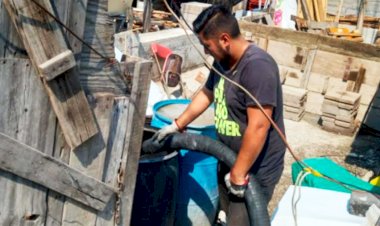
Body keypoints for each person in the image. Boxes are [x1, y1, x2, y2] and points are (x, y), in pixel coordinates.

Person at [154, 5, 286, 225]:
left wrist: (239, 172)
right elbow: (207, 94)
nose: (206, 51)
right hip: (228, 157)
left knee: (241, 220)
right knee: (224, 213)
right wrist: (177, 125)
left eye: (207, 45)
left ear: (225, 39)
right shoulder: (223, 62)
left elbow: (259, 127)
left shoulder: (257, 67)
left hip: (255, 167)